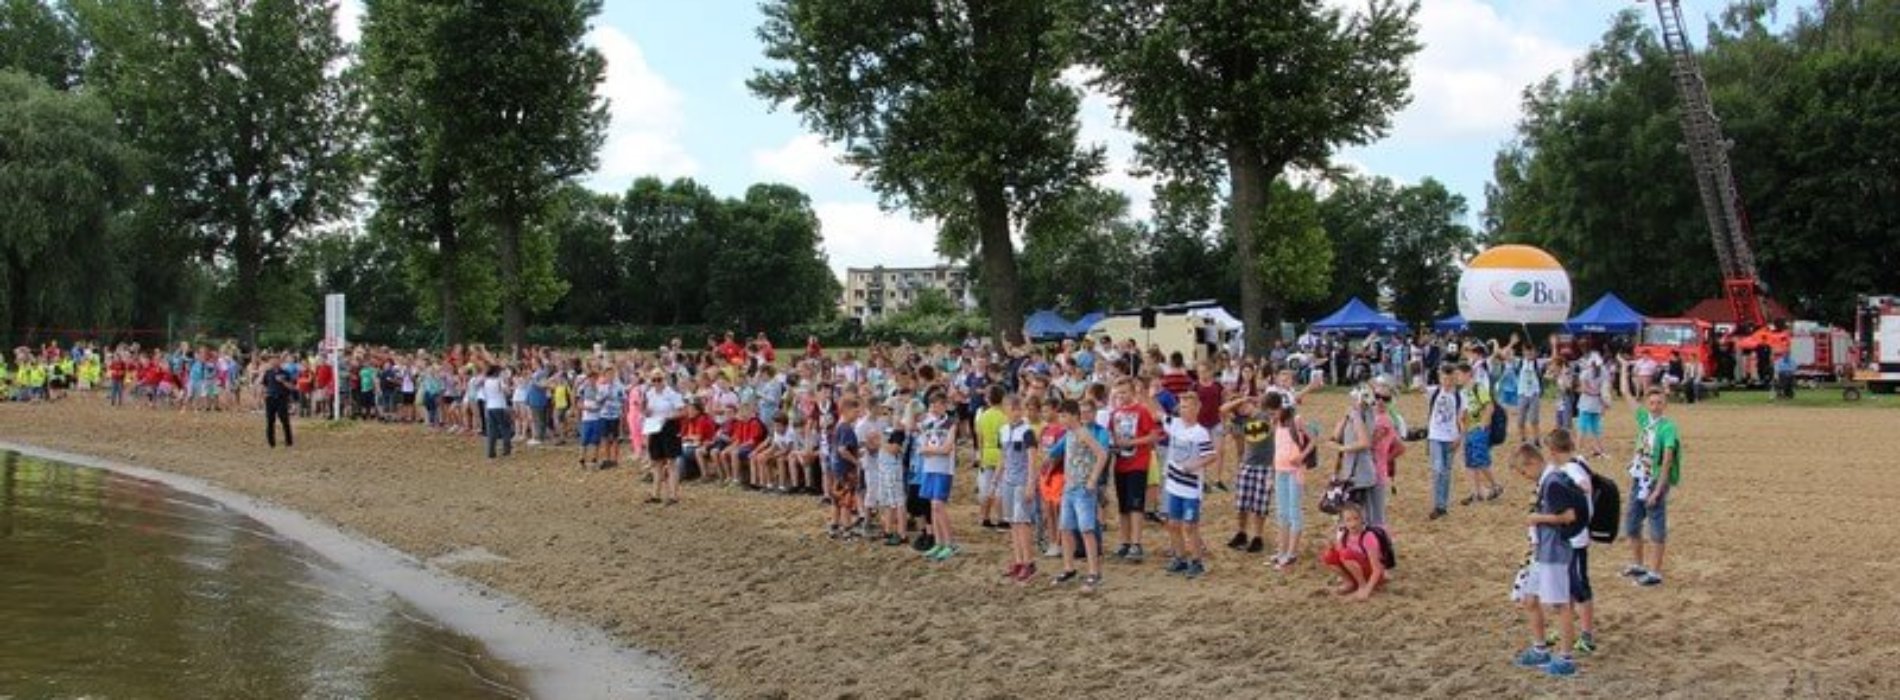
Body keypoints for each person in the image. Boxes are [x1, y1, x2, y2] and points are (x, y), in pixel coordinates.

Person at [1508, 443, 1584, 678]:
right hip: (1541, 551)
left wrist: (1537, 517)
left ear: (1532, 462)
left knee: (1560, 605)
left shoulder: (1552, 483)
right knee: (1530, 600)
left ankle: (1566, 659)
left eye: (1523, 472)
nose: (1524, 477)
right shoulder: (1548, 480)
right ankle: (1540, 649)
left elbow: (1569, 516)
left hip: (1554, 551)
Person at [1620, 377, 1680, 588]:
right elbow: (1626, 394)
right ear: (1647, 404)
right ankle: (1638, 564)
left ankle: (1655, 571)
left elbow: (1667, 459)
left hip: (1655, 481)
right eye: (1652, 403)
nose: (1655, 406)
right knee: (1632, 523)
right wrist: (1625, 369)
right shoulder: (1645, 420)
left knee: (1656, 525)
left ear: (1665, 404)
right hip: (1639, 478)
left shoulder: (1668, 428)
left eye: (1659, 403)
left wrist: (1659, 488)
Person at [1049, 399, 1109, 594]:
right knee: (1065, 528)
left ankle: (1094, 571)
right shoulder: (1070, 433)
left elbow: (1102, 454)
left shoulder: (1083, 433)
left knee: (1087, 530)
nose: (1062, 419)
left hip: (1083, 488)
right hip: (1070, 487)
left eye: (1064, 415)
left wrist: (1092, 479)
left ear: (1074, 416)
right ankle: (1069, 567)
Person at [1549, 429, 1599, 654]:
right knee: (1565, 585)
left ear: (1552, 451)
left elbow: (1585, 486)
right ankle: (1566, 626)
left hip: (1576, 538)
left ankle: (1587, 635)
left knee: (1579, 586)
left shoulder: (1570, 468)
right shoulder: (1578, 461)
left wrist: (1571, 491)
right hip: (1573, 536)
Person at [1162, 391, 1215, 579]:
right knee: (1173, 524)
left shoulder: (1200, 432)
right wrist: (1144, 391)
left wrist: (1195, 465)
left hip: (1191, 487)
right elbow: (1156, 412)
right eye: (1182, 406)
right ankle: (1180, 558)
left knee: (1190, 526)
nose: (1184, 410)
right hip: (1174, 484)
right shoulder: (1175, 425)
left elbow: (1211, 455)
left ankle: (1197, 561)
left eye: (1188, 406)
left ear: (1197, 409)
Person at [1108, 378, 1160, 563]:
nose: (1121, 396)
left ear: (1132, 392)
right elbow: (1111, 435)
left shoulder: (1142, 411)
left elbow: (1153, 435)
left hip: (1138, 463)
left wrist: (1131, 442)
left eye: (1124, 392)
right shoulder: (1115, 413)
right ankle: (1125, 541)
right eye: (1118, 393)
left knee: (1136, 505)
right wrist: (1114, 445)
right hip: (1120, 463)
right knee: (1123, 506)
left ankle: (1136, 543)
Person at [1224, 392, 1277, 555]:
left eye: (1243, 405)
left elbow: (1262, 431)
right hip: (1247, 464)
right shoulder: (1240, 421)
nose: (1241, 409)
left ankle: (1258, 536)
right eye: (1238, 408)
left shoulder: (1263, 415)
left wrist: (1244, 401)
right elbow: (1223, 409)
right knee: (1242, 504)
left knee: (1260, 505)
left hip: (1265, 465)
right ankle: (1242, 533)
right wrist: (1240, 401)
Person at [1269, 398, 1316, 570]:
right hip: (1280, 470)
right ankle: (1282, 550)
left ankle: (1292, 552)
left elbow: (1313, 440)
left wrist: (1301, 457)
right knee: (1282, 512)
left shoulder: (1296, 420)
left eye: (1273, 411)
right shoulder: (1277, 424)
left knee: (1294, 511)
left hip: (1294, 472)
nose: (1271, 415)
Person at [998, 397, 1039, 583]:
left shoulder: (1027, 431)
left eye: (1017, 407)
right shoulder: (1004, 430)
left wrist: (1031, 483)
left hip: (1022, 480)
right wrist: (997, 476)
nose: (1015, 411)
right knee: (1013, 523)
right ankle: (1018, 559)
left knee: (1022, 522)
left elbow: (1032, 459)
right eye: (1011, 407)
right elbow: (1003, 456)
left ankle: (1028, 562)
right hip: (1008, 479)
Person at [917, 390, 960, 562]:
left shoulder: (950, 423)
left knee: (938, 505)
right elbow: (922, 448)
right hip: (929, 468)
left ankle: (950, 543)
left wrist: (932, 450)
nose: (934, 407)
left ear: (945, 405)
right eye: (932, 404)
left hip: (943, 469)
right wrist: (934, 450)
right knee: (932, 506)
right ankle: (939, 542)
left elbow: (947, 449)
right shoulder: (927, 423)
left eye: (938, 404)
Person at [1321, 502, 1386, 601]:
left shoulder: (1368, 537)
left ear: (1362, 519)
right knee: (1328, 555)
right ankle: (1349, 582)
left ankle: (1362, 585)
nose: (1353, 523)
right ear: (1343, 522)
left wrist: (1367, 590)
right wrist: (1331, 547)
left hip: (1372, 573)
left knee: (1345, 554)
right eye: (1348, 520)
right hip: (1357, 571)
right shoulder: (1344, 536)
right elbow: (1336, 556)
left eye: (1356, 518)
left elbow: (1377, 569)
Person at [1459, 361, 1504, 505]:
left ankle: (1495, 485)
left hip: (1478, 429)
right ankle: (1475, 493)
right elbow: (1464, 412)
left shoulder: (1478, 387)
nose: (1458, 378)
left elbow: (1489, 406)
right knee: (1470, 463)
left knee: (1480, 459)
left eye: (1459, 374)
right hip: (1469, 430)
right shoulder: (1462, 392)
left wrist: (1483, 424)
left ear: (1467, 374)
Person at [1425, 366, 1463, 519]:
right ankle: (1438, 503)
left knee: (1446, 473)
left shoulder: (1459, 397)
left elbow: (1462, 419)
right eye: (1445, 379)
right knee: (1438, 469)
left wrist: (1459, 437)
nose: (1447, 382)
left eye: (1451, 379)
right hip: (1435, 436)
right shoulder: (1434, 392)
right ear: (1440, 379)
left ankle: (1442, 506)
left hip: (1451, 437)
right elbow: (1417, 386)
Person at [644, 371, 685, 505]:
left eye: (659, 379)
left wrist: (669, 417)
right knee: (657, 462)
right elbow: (648, 411)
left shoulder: (672, 394)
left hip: (669, 428)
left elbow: (682, 411)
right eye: (654, 380)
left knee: (671, 462)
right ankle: (655, 494)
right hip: (655, 427)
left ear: (664, 380)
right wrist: (646, 412)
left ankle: (674, 495)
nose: (657, 382)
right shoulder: (649, 393)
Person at [973, 385, 1008, 530]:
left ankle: (985, 517)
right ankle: (1001, 518)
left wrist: (979, 456)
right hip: (1001, 454)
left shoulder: (983, 416)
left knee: (986, 488)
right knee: (1000, 488)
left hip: (986, 453)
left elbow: (979, 439)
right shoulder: (1005, 416)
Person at [261, 354, 296, 449]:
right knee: (270, 421)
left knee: (285, 420)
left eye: (276, 360)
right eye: (272, 360)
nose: (274, 362)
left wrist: (283, 381)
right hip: (270, 399)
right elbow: (264, 385)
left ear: (280, 361)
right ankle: (271, 443)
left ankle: (289, 442)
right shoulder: (268, 372)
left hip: (281, 399)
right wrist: (264, 394)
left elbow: (292, 387)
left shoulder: (286, 373)